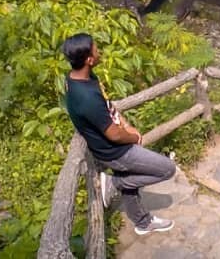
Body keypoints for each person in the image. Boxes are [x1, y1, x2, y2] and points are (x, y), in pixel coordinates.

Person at [62, 33, 176, 236]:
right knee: (167, 169)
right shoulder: (86, 98)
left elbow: (107, 106)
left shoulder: (80, 77)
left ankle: (142, 222)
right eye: (96, 50)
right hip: (115, 152)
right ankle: (114, 183)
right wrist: (134, 137)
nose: (100, 52)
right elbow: (114, 135)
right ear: (89, 60)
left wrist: (127, 125)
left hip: (114, 146)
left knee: (131, 179)